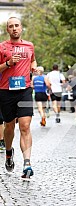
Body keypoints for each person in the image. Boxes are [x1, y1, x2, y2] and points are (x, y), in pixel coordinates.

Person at [0, 17, 38, 178]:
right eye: (11, 26)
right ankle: (9, 153)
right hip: (6, 91)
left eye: (17, 25)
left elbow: (33, 60)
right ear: (7, 30)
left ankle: (27, 163)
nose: (14, 28)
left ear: (21, 28)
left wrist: (34, 67)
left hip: (24, 90)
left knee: (25, 126)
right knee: (9, 127)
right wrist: (8, 64)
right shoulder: (1, 47)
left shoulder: (29, 45)